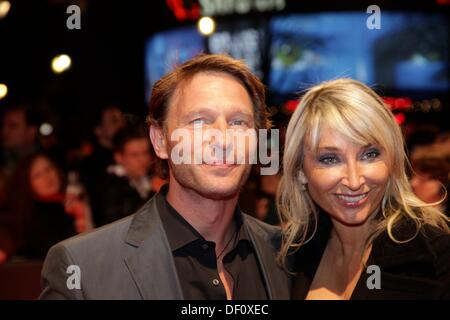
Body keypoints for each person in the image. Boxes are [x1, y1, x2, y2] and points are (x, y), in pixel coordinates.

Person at [39, 54, 291, 300]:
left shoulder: (287, 257)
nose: (223, 139)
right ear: (160, 141)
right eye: (200, 121)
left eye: (238, 123)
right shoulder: (83, 268)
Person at [277, 78, 450, 300]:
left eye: (369, 155)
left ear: (393, 160)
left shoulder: (436, 259)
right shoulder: (291, 254)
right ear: (301, 171)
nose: (354, 180)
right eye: (330, 159)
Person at [0, 153, 90, 261]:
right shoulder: (36, 215)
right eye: (37, 175)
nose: (47, 177)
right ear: (28, 184)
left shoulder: (70, 201)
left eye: (48, 169)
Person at [99, 124, 157, 226]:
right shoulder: (111, 186)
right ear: (119, 157)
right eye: (135, 155)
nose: (142, 160)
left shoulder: (148, 178)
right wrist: (154, 193)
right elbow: (123, 225)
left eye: (145, 153)